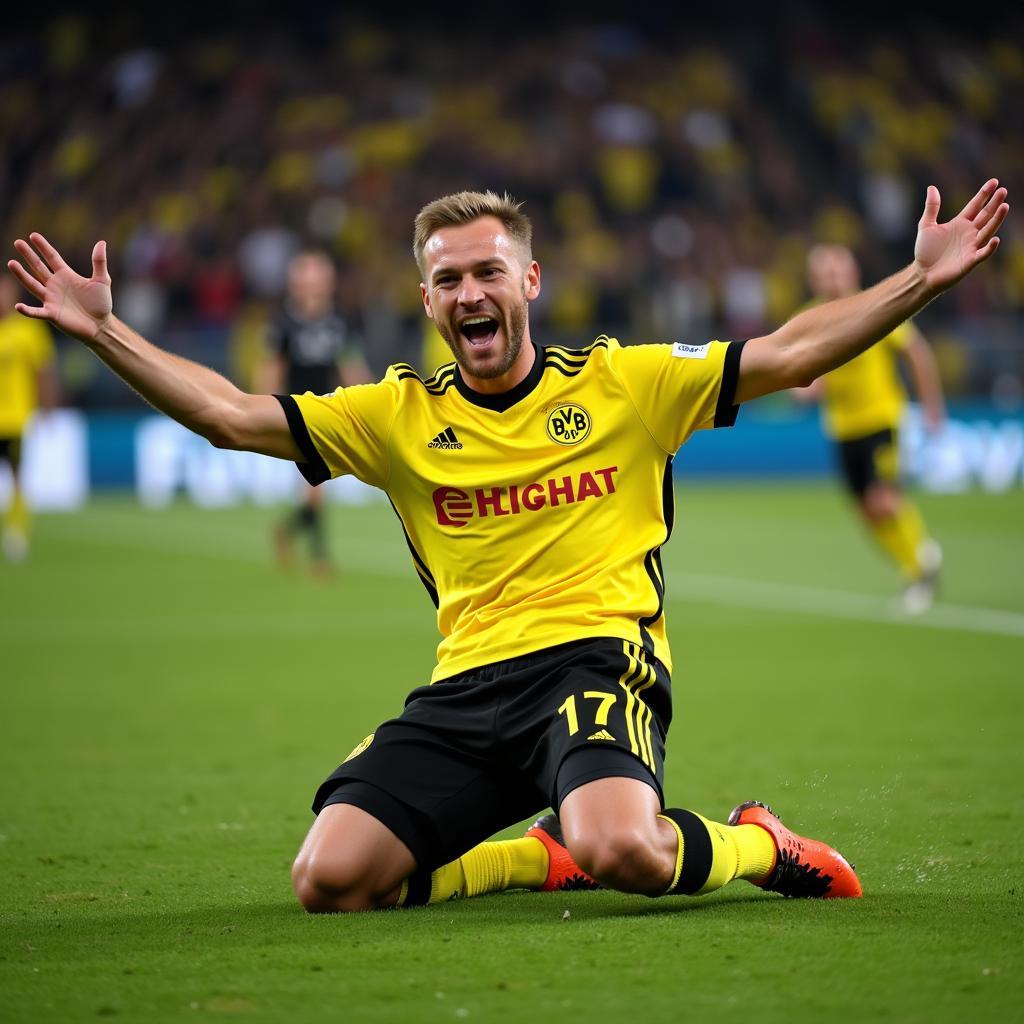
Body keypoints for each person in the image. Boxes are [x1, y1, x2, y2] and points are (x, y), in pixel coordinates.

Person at [8, 179, 1008, 913]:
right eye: (448, 280)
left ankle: (756, 844)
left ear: (528, 278)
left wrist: (916, 280)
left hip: (595, 658)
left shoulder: (625, 384)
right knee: (330, 880)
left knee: (625, 849)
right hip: (466, 688)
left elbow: (788, 354)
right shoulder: (397, 417)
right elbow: (231, 415)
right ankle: (540, 854)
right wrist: (105, 335)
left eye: (489, 271)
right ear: (428, 299)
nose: (470, 292)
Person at [796, 244, 946, 612]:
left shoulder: (873, 306)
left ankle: (920, 571)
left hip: (881, 418)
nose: (832, 277)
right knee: (866, 511)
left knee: (883, 499)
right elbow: (803, 371)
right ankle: (918, 559)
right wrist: (807, 389)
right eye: (825, 271)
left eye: (838, 269)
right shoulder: (807, 317)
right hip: (842, 427)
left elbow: (916, 352)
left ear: (853, 273)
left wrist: (931, 406)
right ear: (813, 278)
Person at [263, 248, 371, 577]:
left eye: (320, 278)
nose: (314, 285)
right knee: (316, 486)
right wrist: (266, 406)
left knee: (315, 487)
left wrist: (367, 400)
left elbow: (351, 367)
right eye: (308, 278)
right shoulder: (283, 324)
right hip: (296, 412)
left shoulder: (338, 324)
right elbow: (271, 368)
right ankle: (319, 558)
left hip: (328, 409)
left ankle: (288, 533)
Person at [0, 273, 57, 562]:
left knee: (17, 477)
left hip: (15, 419)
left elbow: (43, 370)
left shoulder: (27, 330)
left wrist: (48, 407)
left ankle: (17, 533)